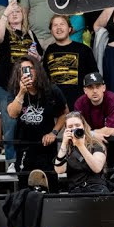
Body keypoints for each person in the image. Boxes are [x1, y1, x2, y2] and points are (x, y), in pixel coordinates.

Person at [7, 55, 67, 191]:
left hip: (46, 147)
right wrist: (22, 92)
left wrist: (54, 132)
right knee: (25, 187)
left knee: (50, 185)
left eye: (30, 68)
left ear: (37, 70)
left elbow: (64, 113)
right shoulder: (16, 91)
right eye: (22, 70)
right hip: (24, 146)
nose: (27, 72)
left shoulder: (52, 90)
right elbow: (12, 113)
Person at [44, 14, 98, 108]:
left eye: (62, 24)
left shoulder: (84, 50)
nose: (59, 27)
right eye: (55, 25)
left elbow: (93, 76)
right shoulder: (49, 50)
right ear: (51, 31)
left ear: (69, 29)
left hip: (80, 104)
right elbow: (45, 77)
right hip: (56, 104)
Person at [54, 112, 110, 194]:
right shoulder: (67, 148)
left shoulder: (96, 144)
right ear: (66, 129)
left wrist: (80, 146)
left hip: (96, 189)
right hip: (75, 190)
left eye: (77, 125)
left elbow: (97, 168)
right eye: (70, 127)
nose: (74, 129)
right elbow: (59, 170)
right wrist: (64, 143)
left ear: (83, 126)